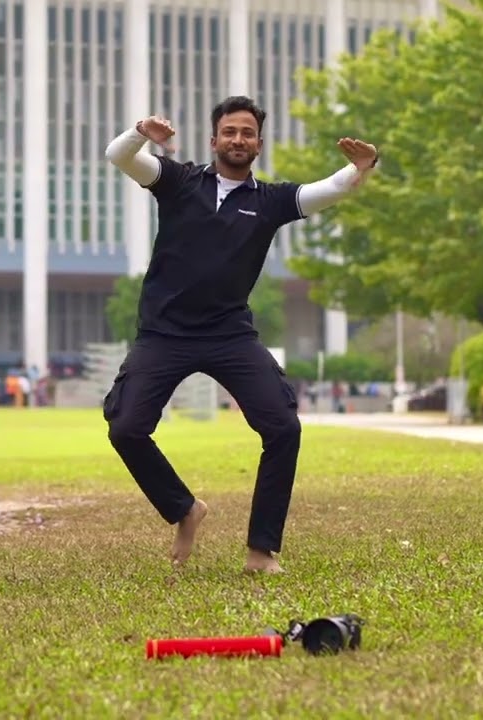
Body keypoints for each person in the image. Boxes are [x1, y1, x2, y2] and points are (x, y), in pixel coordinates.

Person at [103, 96, 379, 574]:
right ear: (214, 140)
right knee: (126, 427)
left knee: (283, 428)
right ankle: (184, 509)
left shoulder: (268, 202)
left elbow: (329, 190)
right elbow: (120, 157)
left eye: (247, 133)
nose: (237, 139)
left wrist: (362, 167)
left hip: (229, 334)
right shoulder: (179, 181)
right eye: (229, 131)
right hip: (163, 334)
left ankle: (260, 550)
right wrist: (141, 131)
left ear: (258, 145)